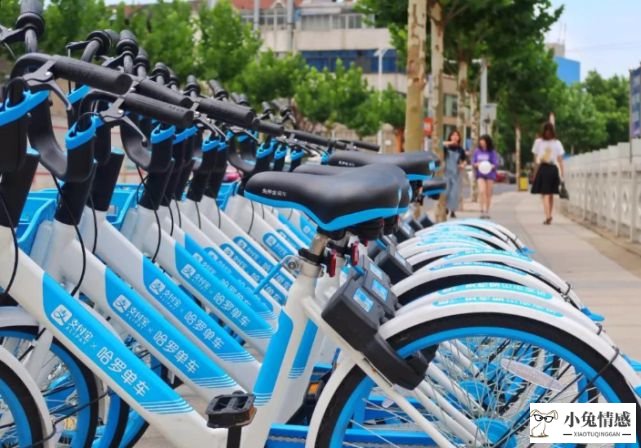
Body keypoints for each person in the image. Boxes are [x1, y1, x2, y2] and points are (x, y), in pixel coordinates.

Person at [531, 122, 565, 225]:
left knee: (548, 194)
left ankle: (548, 215)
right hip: (546, 168)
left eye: (549, 131)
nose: (547, 133)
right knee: (547, 194)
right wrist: (535, 172)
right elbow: (536, 159)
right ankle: (548, 215)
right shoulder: (540, 142)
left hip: (549, 168)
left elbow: (559, 159)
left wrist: (562, 173)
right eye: (546, 131)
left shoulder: (555, 143)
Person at [472, 135, 499, 219]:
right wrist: (476, 164)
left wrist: (491, 166)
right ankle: (481, 210)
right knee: (482, 191)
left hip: (490, 174)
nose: (482, 142)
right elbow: (473, 161)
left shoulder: (492, 152)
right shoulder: (477, 151)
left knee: (488, 193)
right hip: (480, 174)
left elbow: (495, 163)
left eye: (483, 141)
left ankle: (487, 210)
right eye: (481, 141)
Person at [443, 129, 466, 218]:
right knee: (446, 191)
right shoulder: (446, 147)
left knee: (454, 192)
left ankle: (452, 210)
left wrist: (462, 165)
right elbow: (439, 144)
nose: (455, 137)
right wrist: (449, 143)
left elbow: (464, 160)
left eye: (457, 135)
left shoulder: (460, 149)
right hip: (446, 172)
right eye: (453, 135)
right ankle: (445, 208)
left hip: (456, 172)